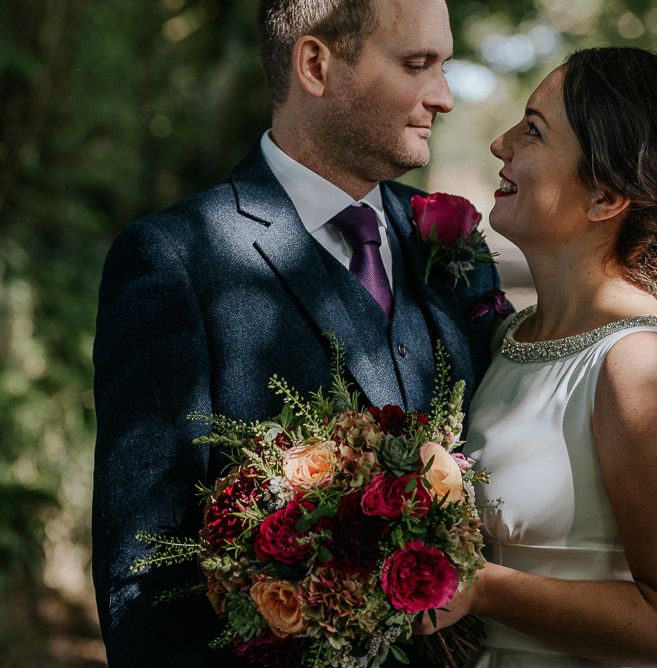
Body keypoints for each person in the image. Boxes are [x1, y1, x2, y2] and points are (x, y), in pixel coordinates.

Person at [92, 0, 501, 665]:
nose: (445, 97)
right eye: (417, 64)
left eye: (444, 65)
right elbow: (145, 575)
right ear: (315, 64)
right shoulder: (175, 260)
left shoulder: (452, 241)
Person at [415, 47, 657, 666]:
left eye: (533, 130)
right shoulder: (514, 336)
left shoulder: (639, 363)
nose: (500, 144)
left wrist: (478, 588)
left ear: (606, 195)